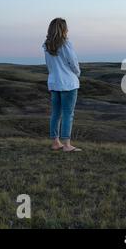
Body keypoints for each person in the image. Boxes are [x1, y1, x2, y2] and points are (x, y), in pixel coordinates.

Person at [43, 18, 82, 152]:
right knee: (67, 114)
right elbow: (73, 62)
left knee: (56, 113)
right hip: (68, 84)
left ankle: (55, 142)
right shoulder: (65, 44)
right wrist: (77, 73)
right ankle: (67, 145)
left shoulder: (47, 46)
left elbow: (49, 65)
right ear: (63, 29)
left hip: (54, 83)